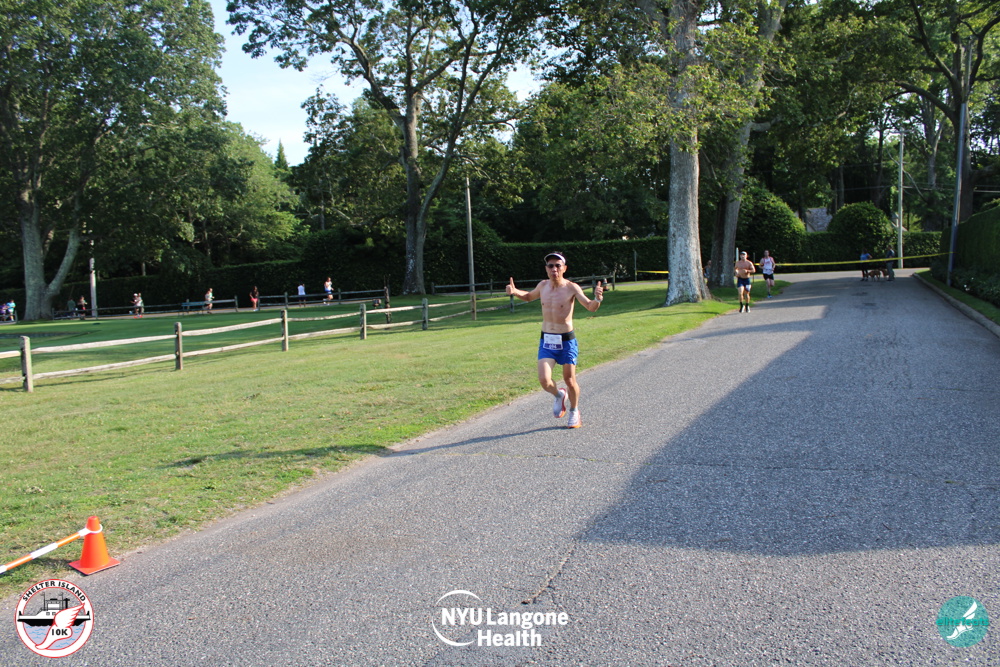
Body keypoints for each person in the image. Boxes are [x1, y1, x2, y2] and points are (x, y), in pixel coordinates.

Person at [506, 252, 604, 429]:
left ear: (564, 268)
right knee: (544, 380)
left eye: (558, 265)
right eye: (550, 266)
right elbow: (528, 296)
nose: (554, 269)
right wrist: (515, 292)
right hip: (547, 340)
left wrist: (597, 299)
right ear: (546, 269)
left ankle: (574, 411)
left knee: (569, 380)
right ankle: (559, 395)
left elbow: (590, 307)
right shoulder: (542, 286)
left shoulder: (572, 288)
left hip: (566, 341)